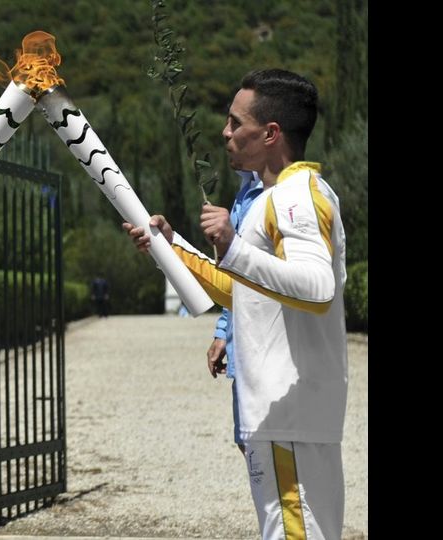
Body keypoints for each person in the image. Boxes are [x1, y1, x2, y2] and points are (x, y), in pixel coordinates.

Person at [123, 69, 347, 539]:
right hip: (282, 422)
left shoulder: (295, 196)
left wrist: (233, 246)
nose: (225, 132)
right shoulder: (273, 198)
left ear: (270, 134)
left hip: (290, 421)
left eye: (235, 122)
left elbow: (317, 287)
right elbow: (242, 290)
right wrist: (172, 247)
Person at [207, 169, 262, 453]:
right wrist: (222, 333)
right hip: (241, 347)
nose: (228, 148)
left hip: (265, 352)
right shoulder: (244, 191)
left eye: (235, 123)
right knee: (247, 443)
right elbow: (235, 279)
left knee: (267, 448)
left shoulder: (277, 194)